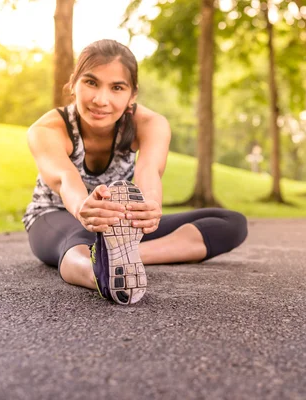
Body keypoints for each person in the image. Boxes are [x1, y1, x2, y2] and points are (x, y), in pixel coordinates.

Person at [23, 39, 248, 305]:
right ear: (74, 83)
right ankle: (98, 273)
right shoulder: (47, 129)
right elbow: (64, 178)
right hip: (57, 215)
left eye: (117, 87)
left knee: (231, 223)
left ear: (132, 95)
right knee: (81, 237)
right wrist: (85, 208)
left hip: (121, 222)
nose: (101, 100)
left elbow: (149, 170)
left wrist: (150, 207)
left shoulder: (151, 124)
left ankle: (123, 255)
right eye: (91, 82)